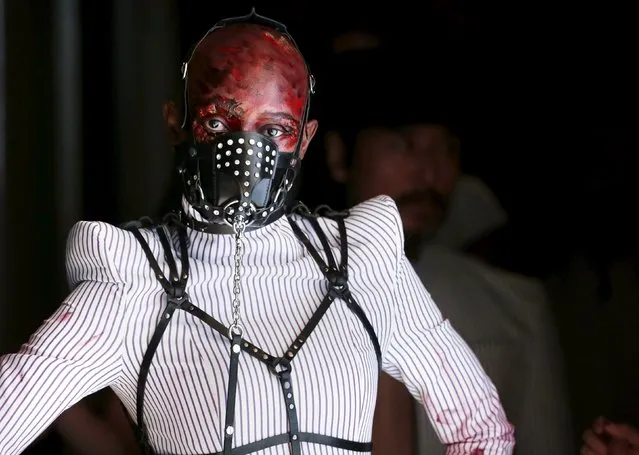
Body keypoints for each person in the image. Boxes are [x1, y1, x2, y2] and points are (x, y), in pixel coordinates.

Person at [0, 10, 514, 455]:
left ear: (304, 140)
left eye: (273, 130)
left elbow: (482, 428)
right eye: (220, 125)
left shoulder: (360, 260)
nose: (246, 154)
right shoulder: (131, 281)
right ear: (177, 125)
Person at [323, 71, 572, 454]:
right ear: (340, 155)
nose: (429, 172)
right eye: (403, 145)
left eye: (446, 149)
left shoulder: (514, 306)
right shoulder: (270, 292)